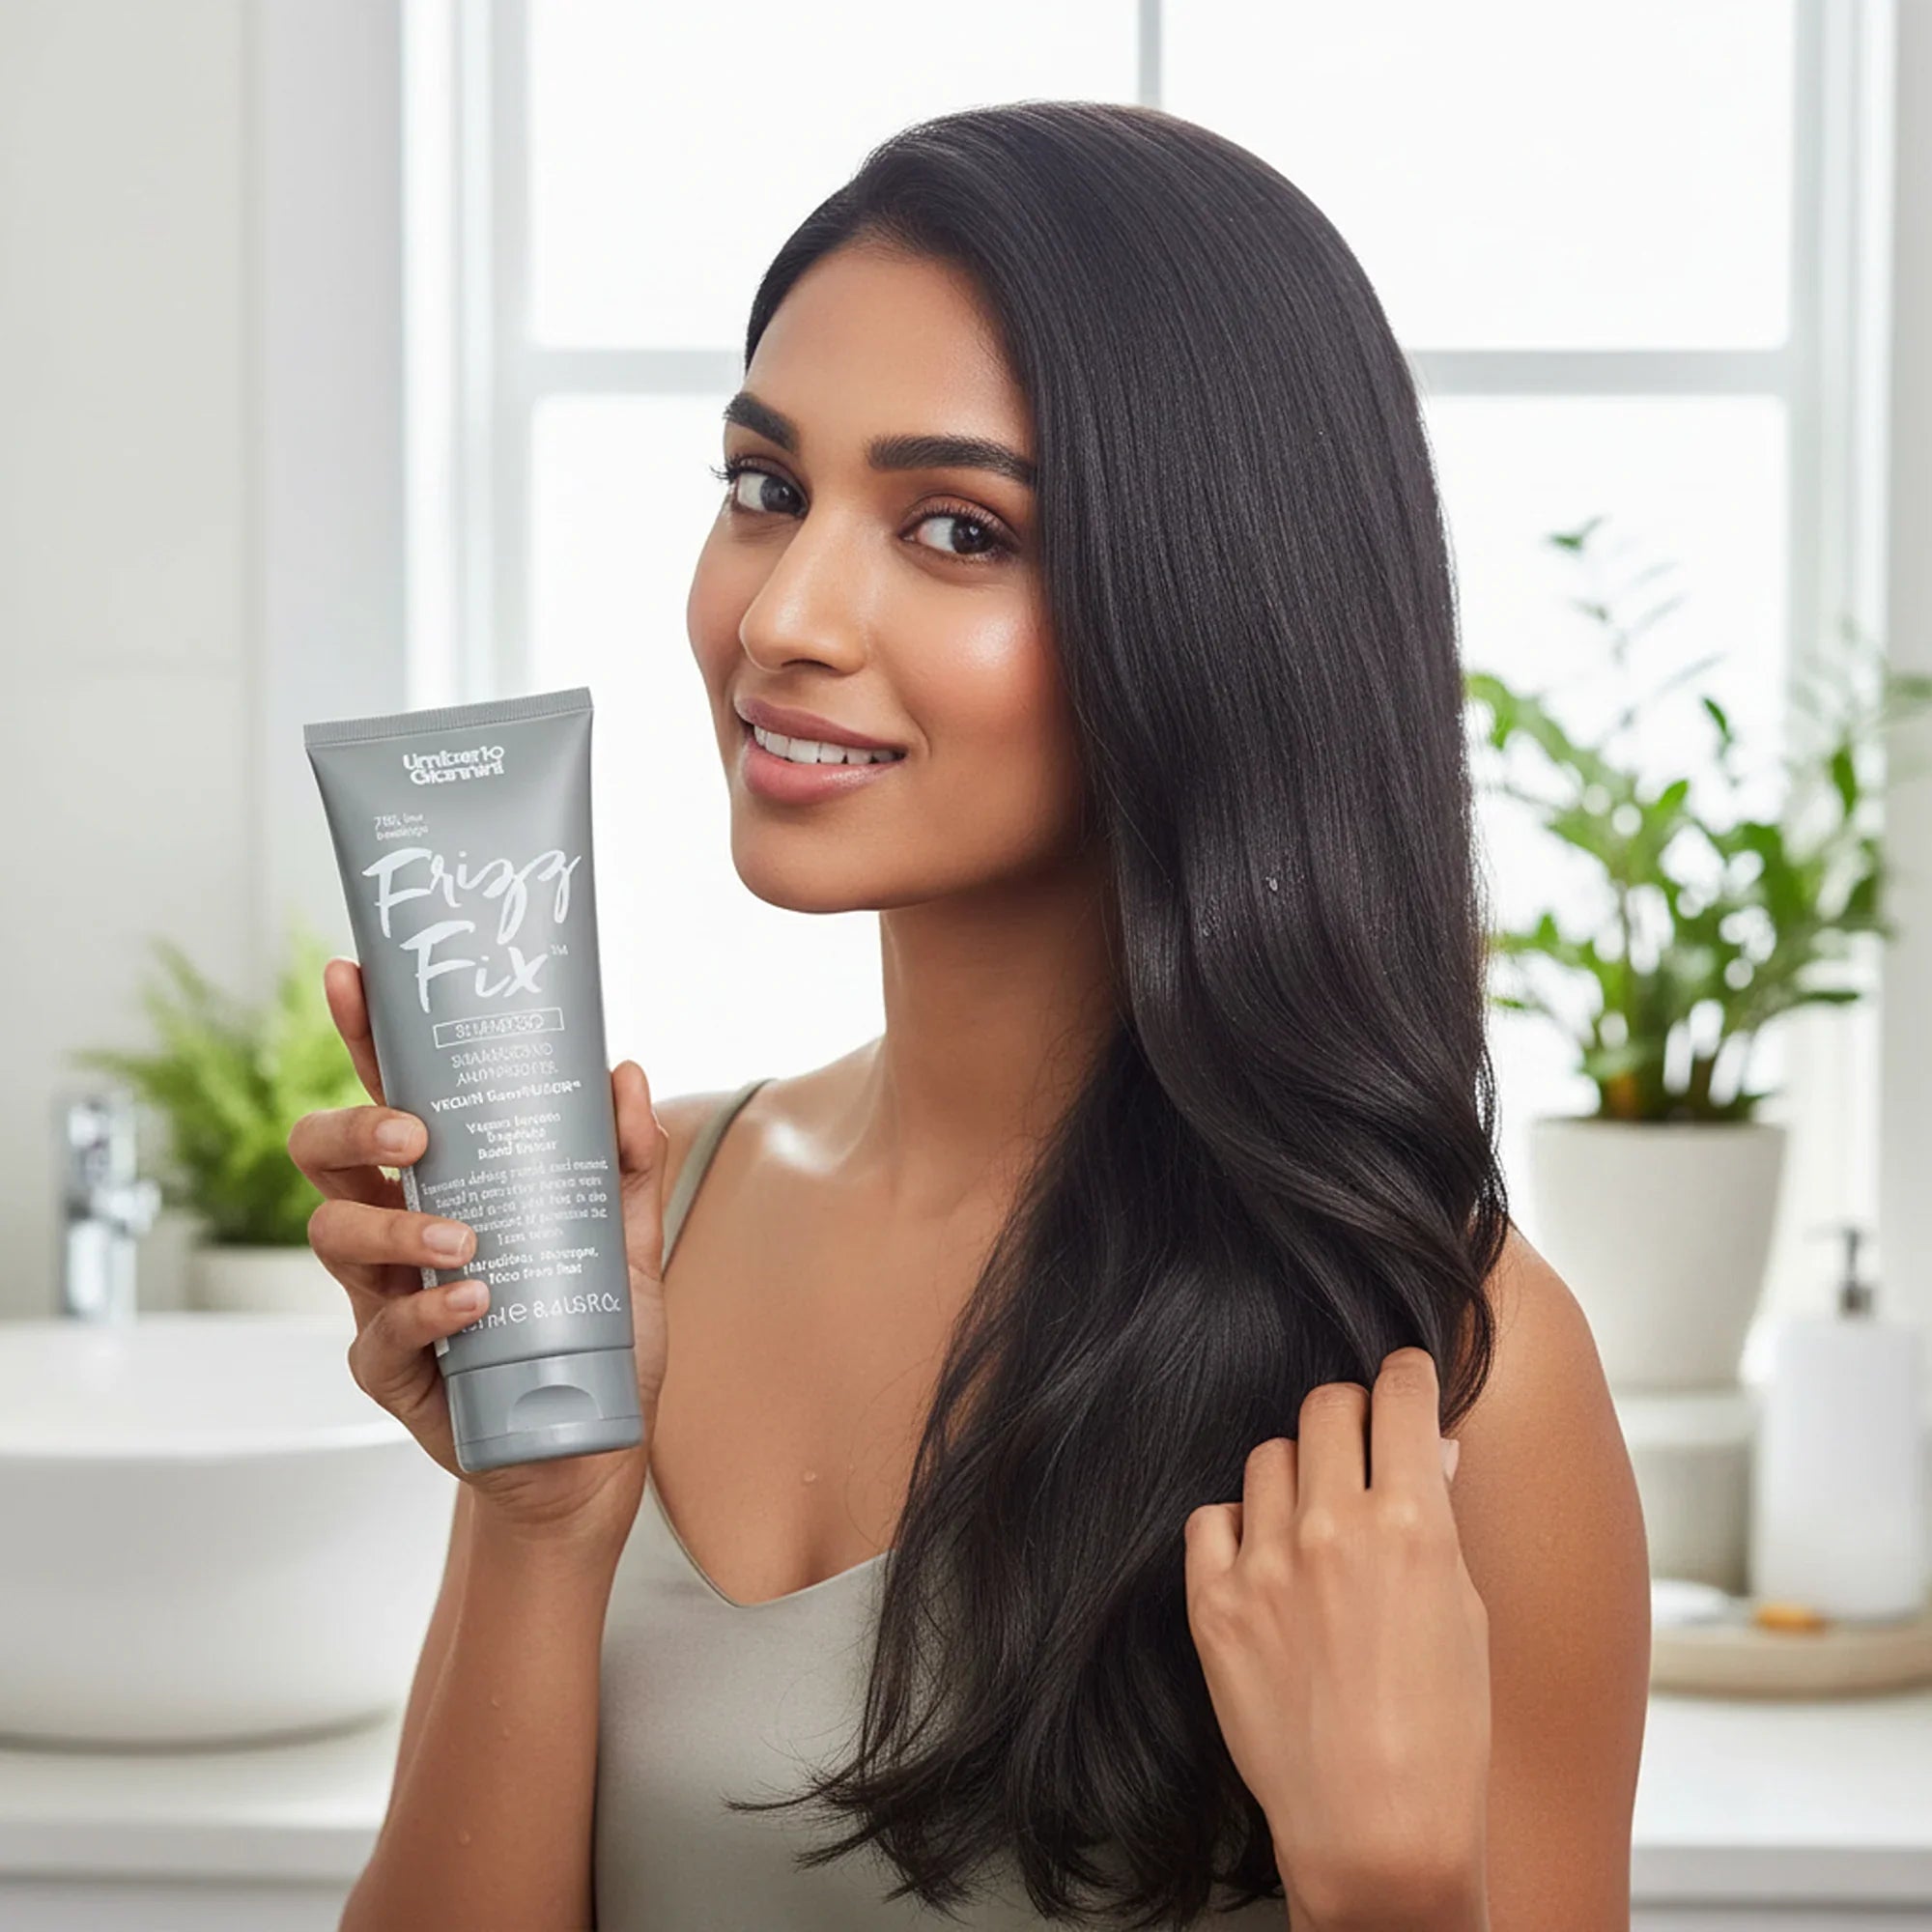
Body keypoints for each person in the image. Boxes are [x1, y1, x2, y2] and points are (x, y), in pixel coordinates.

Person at [292, 99, 1649, 1932]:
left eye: (953, 528)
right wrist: (541, 1523)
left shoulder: (1447, 1360)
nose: (785, 614)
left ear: (1210, 610)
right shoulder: (643, 1217)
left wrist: (1395, 1889)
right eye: (766, 488)